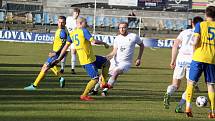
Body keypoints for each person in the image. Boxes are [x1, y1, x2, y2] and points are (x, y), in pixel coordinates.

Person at [53, 17, 110, 101]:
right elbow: (93, 41)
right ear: (80, 23)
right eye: (85, 22)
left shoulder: (72, 34)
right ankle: (84, 95)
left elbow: (65, 46)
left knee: (106, 62)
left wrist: (59, 58)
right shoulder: (84, 31)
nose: (86, 24)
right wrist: (104, 43)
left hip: (91, 58)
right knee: (95, 79)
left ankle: (104, 83)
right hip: (87, 60)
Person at [90, 22, 144, 96]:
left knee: (116, 72)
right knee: (103, 75)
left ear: (127, 28)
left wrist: (139, 58)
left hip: (125, 63)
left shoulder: (134, 36)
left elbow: (142, 45)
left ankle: (105, 90)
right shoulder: (117, 38)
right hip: (115, 61)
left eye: (124, 27)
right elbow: (114, 52)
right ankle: (95, 90)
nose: (122, 29)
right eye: (120, 28)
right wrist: (106, 57)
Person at [163, 16, 203, 112]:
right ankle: (180, 106)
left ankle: (168, 93)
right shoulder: (201, 34)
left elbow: (175, 45)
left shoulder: (184, 32)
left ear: (192, 23)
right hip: (193, 60)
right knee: (190, 86)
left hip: (180, 59)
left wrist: (172, 60)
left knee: (175, 85)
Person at [24, 16, 70, 90]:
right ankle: (60, 78)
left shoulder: (62, 32)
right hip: (54, 52)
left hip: (56, 54)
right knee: (50, 66)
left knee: (44, 68)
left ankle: (34, 86)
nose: (60, 24)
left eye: (62, 22)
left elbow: (63, 45)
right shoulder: (60, 30)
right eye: (59, 22)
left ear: (65, 23)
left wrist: (56, 53)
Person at [185, 6, 215, 118]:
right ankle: (212, 112)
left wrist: (194, 49)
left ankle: (188, 106)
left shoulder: (200, 25)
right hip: (212, 59)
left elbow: (196, 40)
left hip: (198, 57)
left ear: (206, 14)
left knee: (191, 82)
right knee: (211, 85)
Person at [60, 8, 80, 74]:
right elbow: (65, 26)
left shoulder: (78, 21)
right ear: (73, 13)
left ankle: (72, 69)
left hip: (74, 38)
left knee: (73, 52)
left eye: (78, 13)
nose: (77, 14)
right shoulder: (68, 18)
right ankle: (62, 68)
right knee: (65, 53)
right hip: (67, 37)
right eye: (76, 13)